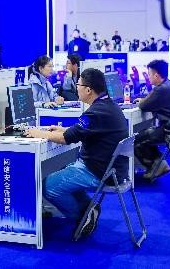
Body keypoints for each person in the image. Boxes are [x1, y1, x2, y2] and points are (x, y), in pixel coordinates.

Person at [25, 68, 129, 238]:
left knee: (47, 187)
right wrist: (62, 129)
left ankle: (83, 216)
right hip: (113, 170)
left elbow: (66, 139)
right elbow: (81, 131)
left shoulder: (95, 112)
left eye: (78, 85)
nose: (76, 88)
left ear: (88, 90)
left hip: (98, 171)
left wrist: (39, 133)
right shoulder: (108, 106)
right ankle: (90, 208)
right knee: (65, 169)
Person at [133, 59, 170, 180]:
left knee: (136, 138)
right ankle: (159, 164)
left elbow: (143, 106)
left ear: (156, 76)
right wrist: (145, 100)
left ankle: (155, 166)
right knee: (147, 134)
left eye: (149, 74)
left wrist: (141, 101)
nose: (148, 77)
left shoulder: (161, 89)